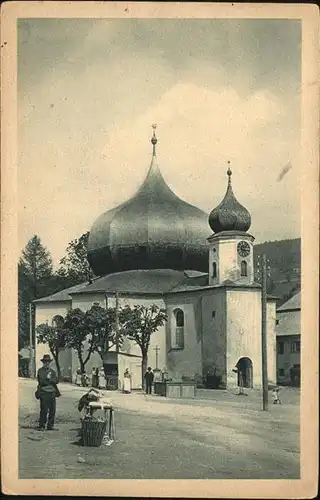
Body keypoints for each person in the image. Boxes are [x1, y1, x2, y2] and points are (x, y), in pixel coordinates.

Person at [36, 354, 60, 431]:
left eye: (48, 362)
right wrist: (48, 379)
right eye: (45, 362)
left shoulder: (52, 371)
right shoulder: (40, 371)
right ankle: (42, 425)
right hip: (44, 393)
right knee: (44, 410)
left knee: (52, 410)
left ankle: (50, 426)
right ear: (43, 362)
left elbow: (56, 381)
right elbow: (41, 381)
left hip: (52, 393)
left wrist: (49, 379)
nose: (47, 363)